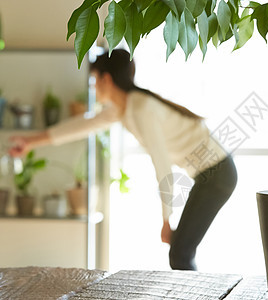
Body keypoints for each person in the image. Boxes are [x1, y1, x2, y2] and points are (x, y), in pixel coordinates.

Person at [9, 49, 238, 271]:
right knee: (180, 253)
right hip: (210, 175)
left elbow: (162, 166)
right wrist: (30, 142)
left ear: (105, 79)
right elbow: (80, 126)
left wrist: (166, 220)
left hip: (217, 174)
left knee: (180, 253)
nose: (93, 88)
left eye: (93, 81)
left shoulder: (141, 108)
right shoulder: (125, 107)